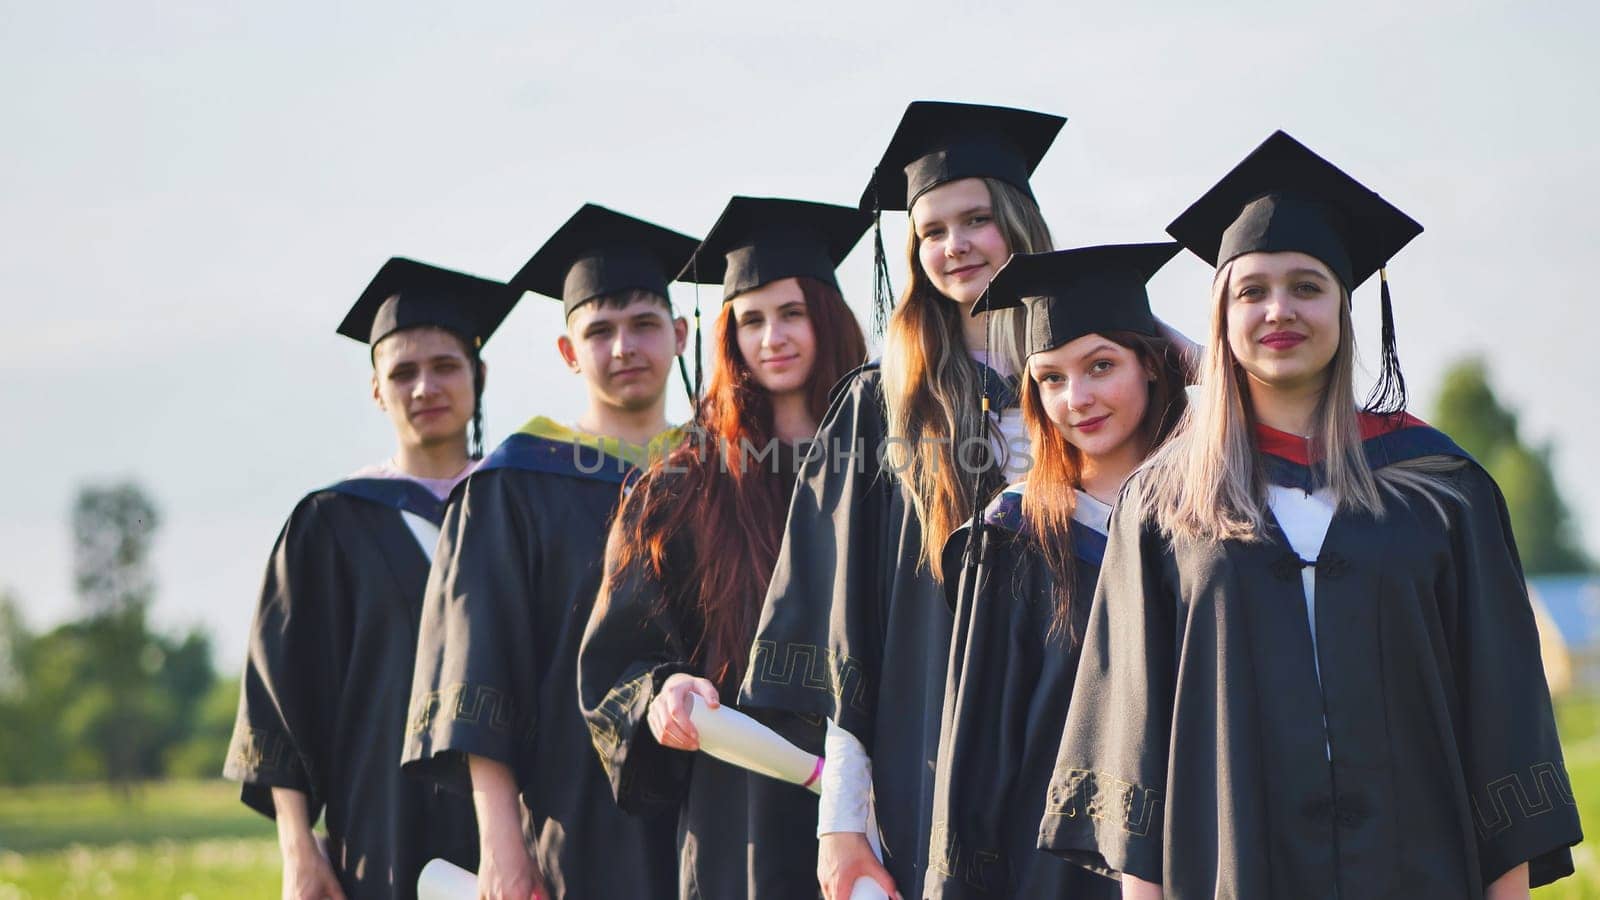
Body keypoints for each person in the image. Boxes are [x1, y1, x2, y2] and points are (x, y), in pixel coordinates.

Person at [1041, 131, 1583, 899]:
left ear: (1344, 305)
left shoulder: (1440, 487)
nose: (1279, 311)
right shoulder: (1164, 504)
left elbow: (1503, 720)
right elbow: (1135, 736)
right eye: (1252, 291)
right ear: (1221, 315)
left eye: (1307, 286)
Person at [737, 101, 1066, 900]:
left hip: (1080, 740)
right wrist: (841, 823)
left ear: (1019, 223)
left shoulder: (1090, 387)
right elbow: (854, 633)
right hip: (938, 755)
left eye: (978, 219)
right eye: (932, 230)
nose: (955, 247)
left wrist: (1137, 332)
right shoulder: (883, 407)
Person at [578, 196, 871, 899]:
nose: (772, 337)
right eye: (751, 319)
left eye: (792, 313)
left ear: (827, 317)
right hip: (745, 801)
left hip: (882, 781)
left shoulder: (889, 461)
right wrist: (664, 690)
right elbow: (623, 655)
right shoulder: (685, 483)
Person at [401, 204, 696, 900]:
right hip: (572, 819)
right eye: (599, 331)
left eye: (644, 325)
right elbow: (481, 679)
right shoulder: (515, 483)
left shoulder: (719, 470)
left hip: (710, 813)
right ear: (568, 352)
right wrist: (502, 846)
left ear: (680, 334)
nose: (624, 347)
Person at [226, 257, 510, 899]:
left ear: (479, 375)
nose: (424, 387)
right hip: (380, 827)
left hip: (523, 824)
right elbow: (282, 696)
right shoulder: (333, 522)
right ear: (377, 390)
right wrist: (298, 849)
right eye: (402, 372)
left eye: (444, 366)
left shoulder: (519, 504)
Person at [927, 243, 1187, 899]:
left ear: (1153, 365)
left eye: (1102, 365)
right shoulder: (1013, 536)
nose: (1078, 398)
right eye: (1050, 377)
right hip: (1058, 876)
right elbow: (978, 761)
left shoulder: (1214, 523)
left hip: (1208, 857)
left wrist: (1204, 361)